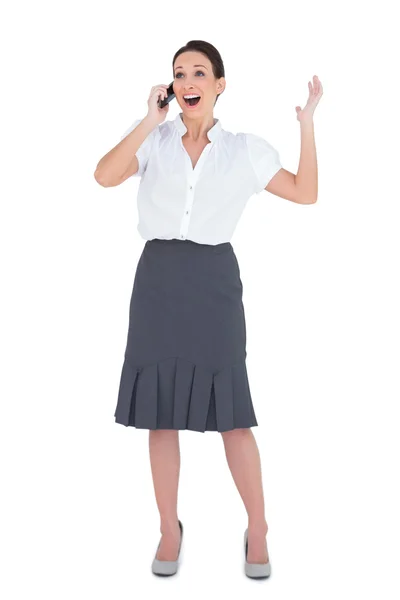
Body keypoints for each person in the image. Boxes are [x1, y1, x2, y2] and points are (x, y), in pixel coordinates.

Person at [94, 39, 322, 579]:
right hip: (157, 284)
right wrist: (148, 122)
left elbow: (306, 192)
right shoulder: (153, 139)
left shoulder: (245, 149)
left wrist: (306, 124)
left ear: (220, 85)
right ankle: (168, 528)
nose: (188, 81)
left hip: (214, 285)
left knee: (233, 418)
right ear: (171, 87)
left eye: (200, 72)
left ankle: (259, 527)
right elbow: (104, 176)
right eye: (179, 73)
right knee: (160, 414)